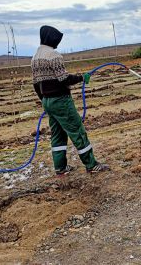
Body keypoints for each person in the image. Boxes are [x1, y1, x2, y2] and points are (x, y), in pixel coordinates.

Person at [31, 25, 109, 175]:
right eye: (57, 40)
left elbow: (36, 84)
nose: (58, 43)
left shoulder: (35, 57)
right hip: (61, 101)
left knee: (58, 134)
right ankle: (91, 165)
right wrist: (81, 78)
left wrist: (44, 101)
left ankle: (60, 168)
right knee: (77, 131)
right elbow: (63, 79)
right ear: (52, 38)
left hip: (48, 101)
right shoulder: (54, 55)